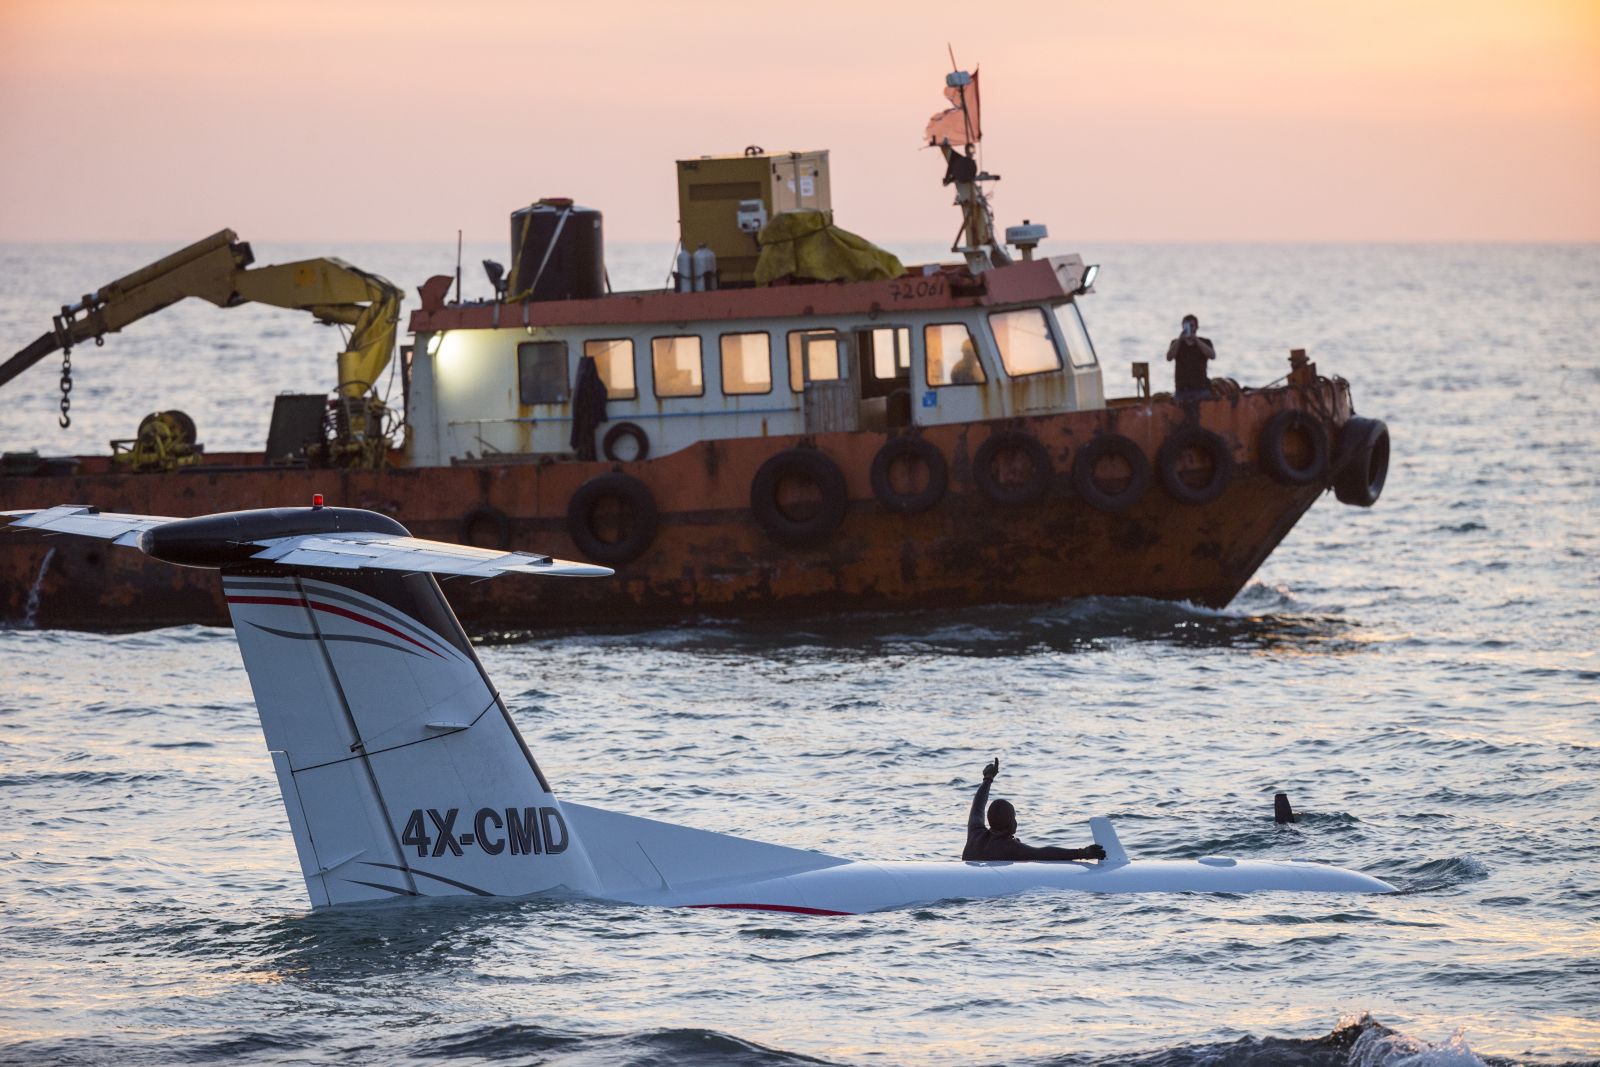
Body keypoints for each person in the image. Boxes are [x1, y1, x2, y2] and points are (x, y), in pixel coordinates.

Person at [962, 758, 1106, 862]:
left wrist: (987, 779)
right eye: (1014, 817)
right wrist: (1083, 853)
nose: (1015, 821)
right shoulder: (1010, 847)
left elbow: (978, 806)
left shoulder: (975, 834)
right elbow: (1043, 853)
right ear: (1010, 824)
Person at [1165, 314, 1216, 399]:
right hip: (1182, 389)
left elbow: (1212, 355)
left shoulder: (1205, 342)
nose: (1189, 328)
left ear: (1196, 327)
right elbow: (1169, 357)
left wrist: (1196, 340)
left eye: (1192, 326)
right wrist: (1179, 339)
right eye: (1186, 326)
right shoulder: (1176, 343)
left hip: (1200, 388)